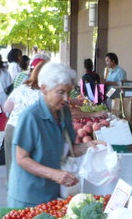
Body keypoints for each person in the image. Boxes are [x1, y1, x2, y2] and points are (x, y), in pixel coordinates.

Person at [8, 62, 97, 208]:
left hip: (54, 192)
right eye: (60, 92)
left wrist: (88, 146)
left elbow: (69, 148)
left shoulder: (64, 112)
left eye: (69, 92)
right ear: (44, 89)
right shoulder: (30, 116)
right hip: (28, 194)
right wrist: (55, 174)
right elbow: (22, 159)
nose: (66, 98)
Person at [2, 59, 48, 177]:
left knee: (11, 166)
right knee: (28, 167)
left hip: (12, 128)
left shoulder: (22, 87)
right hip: (28, 131)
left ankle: (11, 191)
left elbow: (7, 107)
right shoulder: (45, 93)